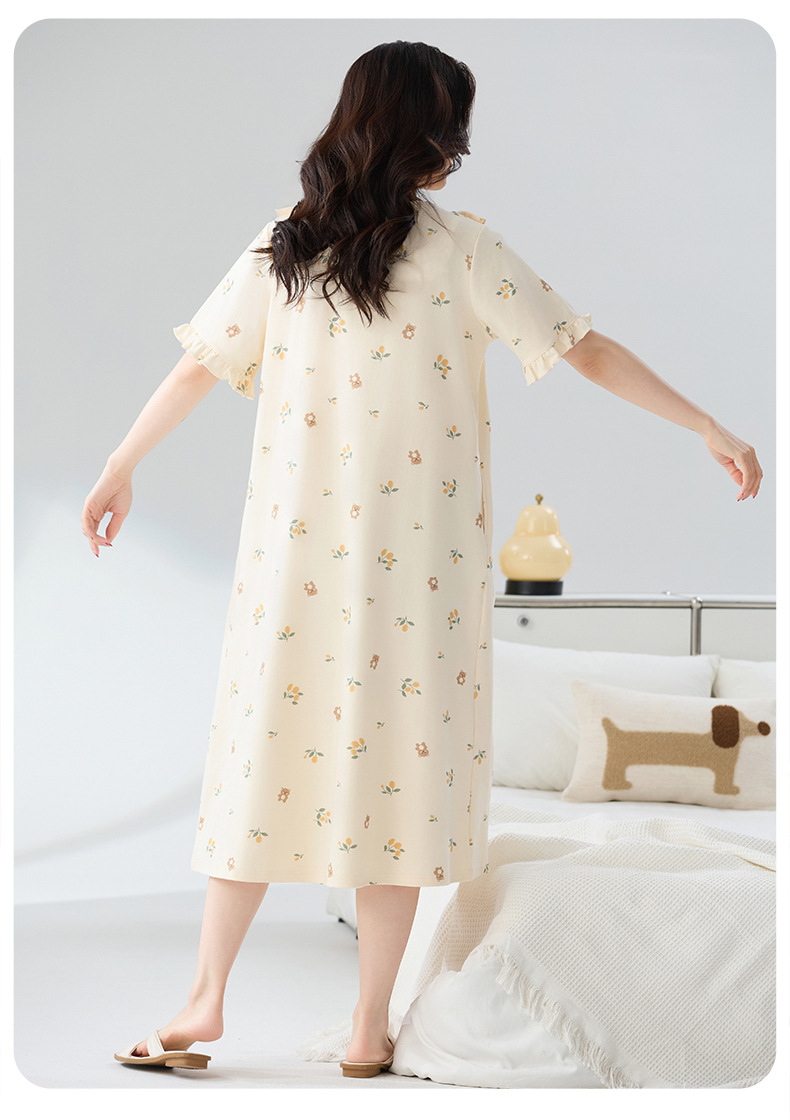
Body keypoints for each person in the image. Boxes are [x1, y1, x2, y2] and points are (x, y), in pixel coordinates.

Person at [83, 41, 763, 1078]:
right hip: (419, 577)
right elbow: (583, 348)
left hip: (295, 564)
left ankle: (205, 998)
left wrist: (120, 464)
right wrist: (704, 423)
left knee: (261, 759)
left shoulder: (285, 245)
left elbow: (196, 367)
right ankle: (367, 1027)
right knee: (395, 781)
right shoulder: (459, 250)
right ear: (430, 137)